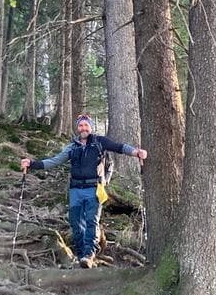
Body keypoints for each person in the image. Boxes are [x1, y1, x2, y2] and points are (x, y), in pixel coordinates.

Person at [20, 113, 147, 269]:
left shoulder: (100, 142)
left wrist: (135, 152)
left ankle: (88, 254)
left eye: (86, 125)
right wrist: (32, 164)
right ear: (77, 128)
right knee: (75, 222)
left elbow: (119, 147)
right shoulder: (72, 147)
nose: (83, 128)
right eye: (81, 125)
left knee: (91, 222)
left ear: (91, 127)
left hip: (94, 189)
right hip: (75, 189)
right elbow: (54, 161)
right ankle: (80, 254)